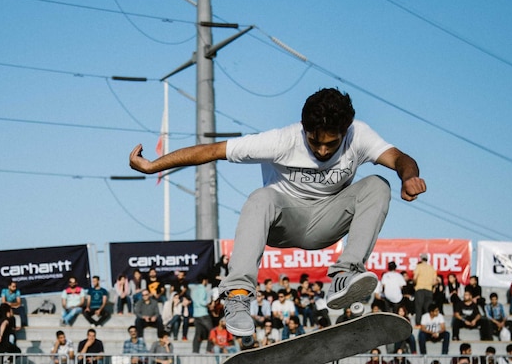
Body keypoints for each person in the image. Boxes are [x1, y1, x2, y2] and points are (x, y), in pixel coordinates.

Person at [131, 88, 426, 341]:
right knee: (262, 197)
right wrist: (153, 166)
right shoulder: (281, 141)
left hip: (329, 220)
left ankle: (345, 275)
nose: (323, 151)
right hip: (284, 221)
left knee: (377, 184)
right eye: (315, 142)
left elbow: (400, 158)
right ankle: (237, 297)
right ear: (304, 129)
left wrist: (408, 175)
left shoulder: (357, 135)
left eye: (331, 144)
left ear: (345, 131)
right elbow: (212, 151)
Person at [189, 276, 214, 354]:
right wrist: (209, 305)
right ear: (204, 280)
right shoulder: (202, 289)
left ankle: (195, 350)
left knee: (197, 333)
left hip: (196, 314)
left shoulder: (194, 290)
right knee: (212, 331)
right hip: (203, 314)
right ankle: (208, 349)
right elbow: (201, 301)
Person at [413, 253, 436, 324]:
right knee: (428, 308)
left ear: (421, 259)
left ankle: (418, 322)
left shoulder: (418, 267)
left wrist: (414, 284)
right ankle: (428, 322)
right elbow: (434, 281)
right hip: (429, 289)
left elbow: (415, 278)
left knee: (419, 307)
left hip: (420, 288)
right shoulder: (432, 268)